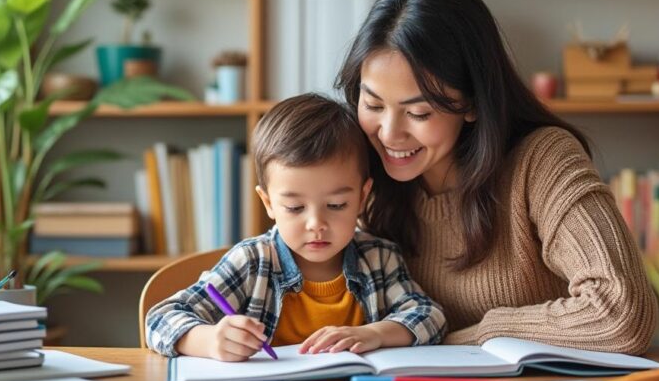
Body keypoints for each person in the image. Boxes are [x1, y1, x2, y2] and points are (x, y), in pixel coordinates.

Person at [337, 0, 658, 354]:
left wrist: (469, 336)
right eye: (373, 105)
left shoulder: (542, 161)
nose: (389, 134)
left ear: (471, 103)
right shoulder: (363, 179)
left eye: (419, 112)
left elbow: (623, 313)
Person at [145, 94, 447, 361]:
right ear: (268, 203)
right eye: (295, 208)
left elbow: (430, 316)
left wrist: (375, 334)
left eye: (336, 205)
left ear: (362, 197)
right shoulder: (253, 262)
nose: (316, 224)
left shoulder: (379, 258)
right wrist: (209, 341)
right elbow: (159, 319)